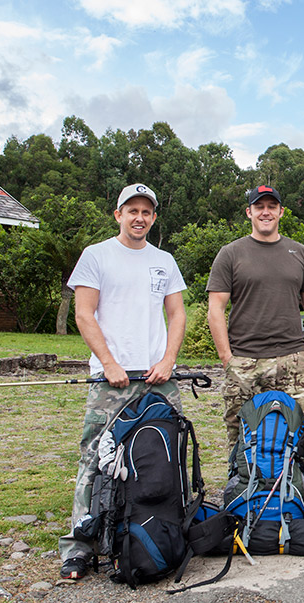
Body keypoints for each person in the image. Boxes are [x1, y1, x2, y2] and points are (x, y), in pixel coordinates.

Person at [59, 183, 187, 579]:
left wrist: (168, 359)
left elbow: (178, 314)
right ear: (118, 214)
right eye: (131, 210)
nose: (139, 218)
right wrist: (109, 362)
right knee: (95, 457)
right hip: (109, 377)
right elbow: (84, 313)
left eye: (146, 212)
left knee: (171, 449)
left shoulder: (164, 260)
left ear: (153, 217)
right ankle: (80, 546)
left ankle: (166, 530)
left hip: (157, 376)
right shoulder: (96, 256)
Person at [206, 185, 304, 511]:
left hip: (293, 358)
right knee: (239, 436)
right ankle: (241, 503)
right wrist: (227, 358)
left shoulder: (298, 252)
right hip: (244, 360)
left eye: (272, 206)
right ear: (248, 212)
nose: (265, 212)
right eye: (259, 206)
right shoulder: (230, 254)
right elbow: (215, 308)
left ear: (281, 212)